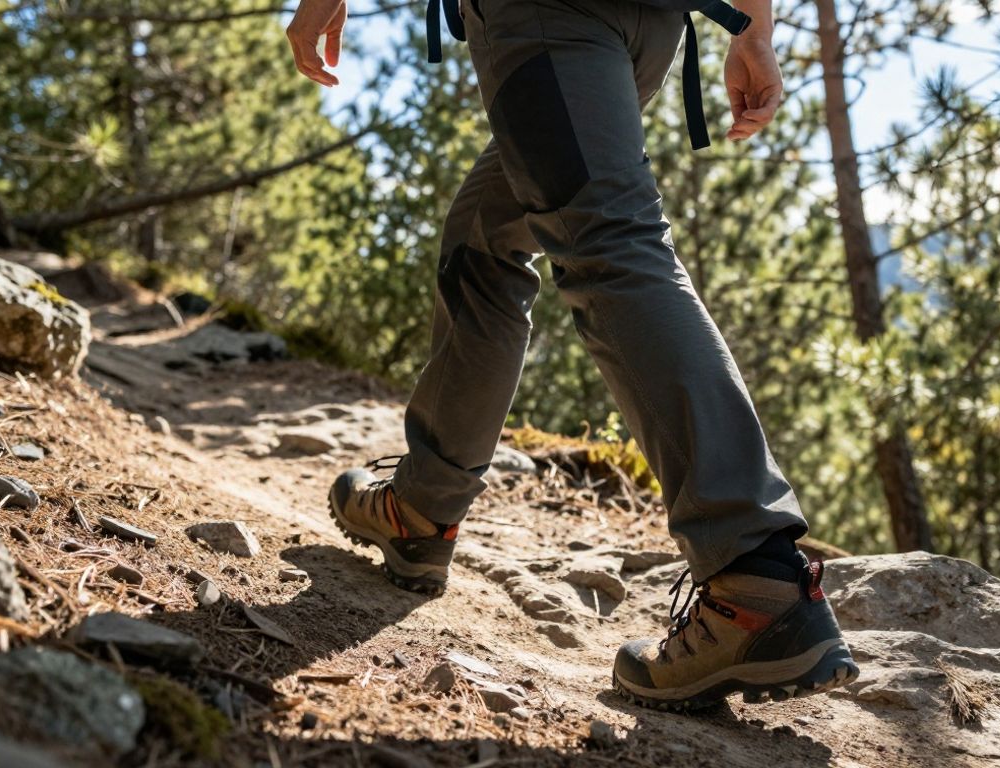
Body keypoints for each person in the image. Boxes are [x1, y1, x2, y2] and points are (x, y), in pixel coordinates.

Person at [287, 0, 858, 712]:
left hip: (549, 15)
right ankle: (422, 507)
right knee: (485, 235)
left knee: (609, 243)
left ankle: (755, 578)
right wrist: (756, 27)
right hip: (645, 23)